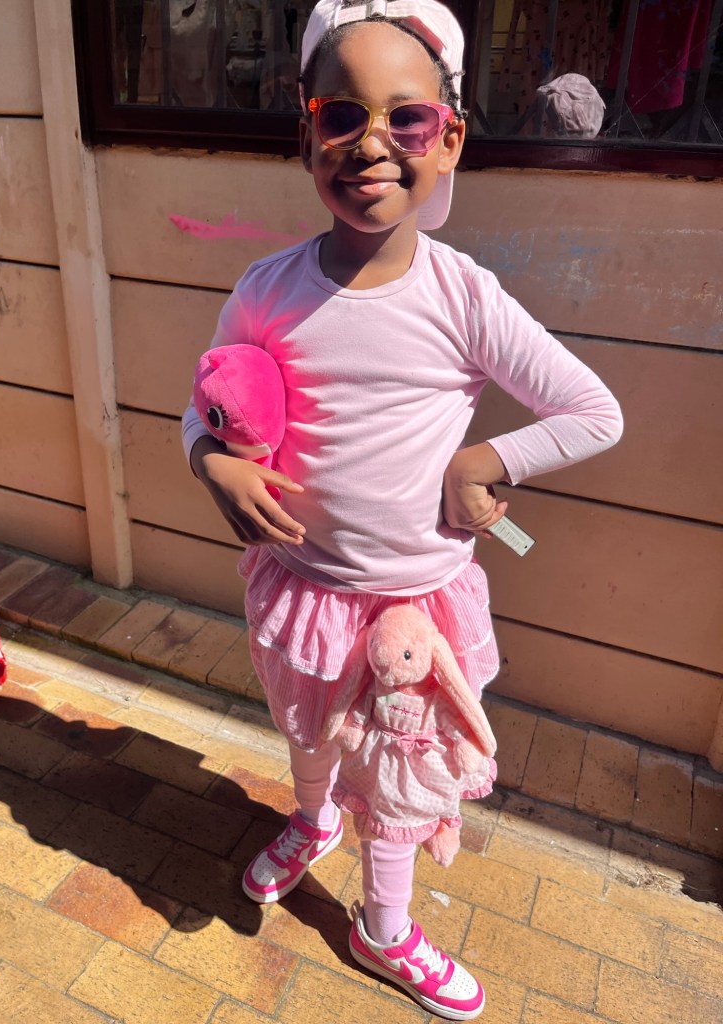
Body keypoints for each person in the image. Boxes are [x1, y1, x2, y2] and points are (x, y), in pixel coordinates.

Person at [181, 0, 623, 1017]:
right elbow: (200, 403)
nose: (371, 143)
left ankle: (382, 927)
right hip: (302, 587)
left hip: (408, 617)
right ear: (306, 137)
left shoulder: (462, 296)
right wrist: (212, 462)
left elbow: (594, 411)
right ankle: (310, 819)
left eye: (407, 118)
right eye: (341, 115)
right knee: (305, 728)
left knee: (396, 777)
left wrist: (489, 457)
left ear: (449, 139)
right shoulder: (268, 290)